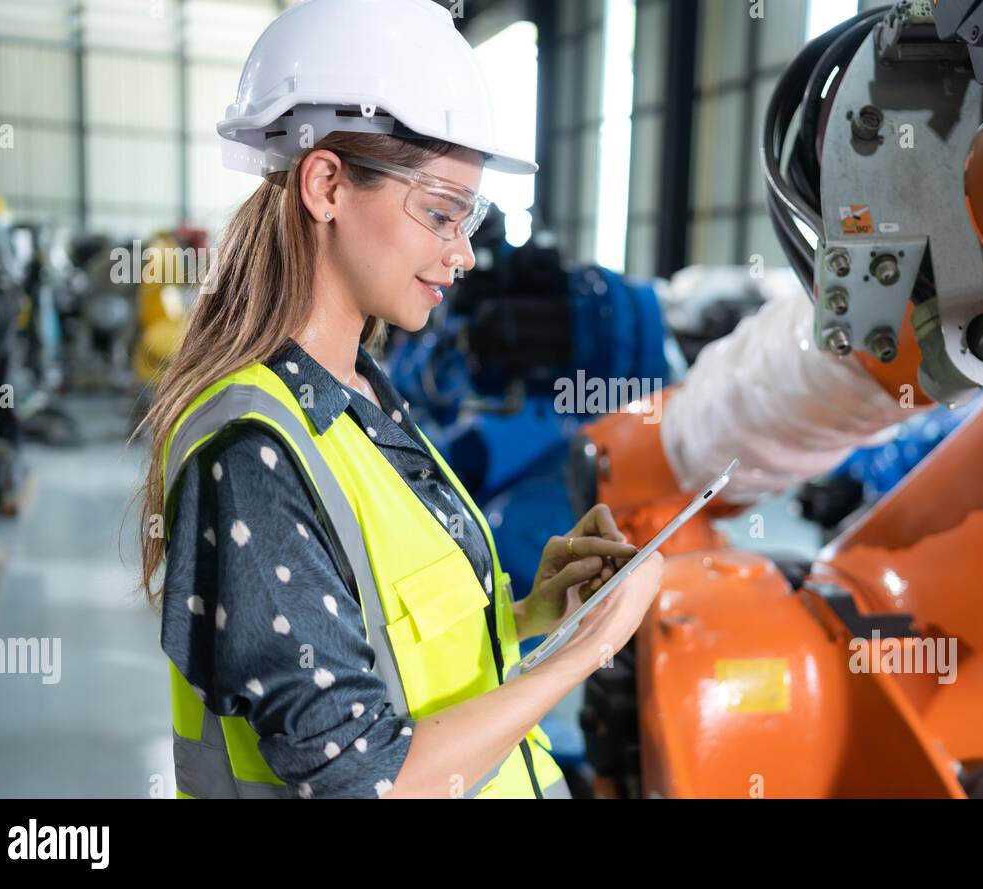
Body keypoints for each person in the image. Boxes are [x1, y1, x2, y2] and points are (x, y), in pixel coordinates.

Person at [132, 0, 664, 799]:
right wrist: (587, 653)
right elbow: (366, 779)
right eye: (442, 213)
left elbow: (372, 646)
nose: (463, 252)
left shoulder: (362, 395)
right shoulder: (252, 453)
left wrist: (529, 615)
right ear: (327, 185)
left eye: (470, 216)